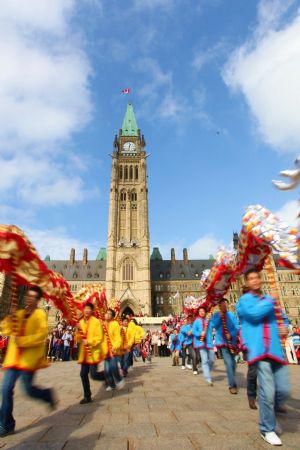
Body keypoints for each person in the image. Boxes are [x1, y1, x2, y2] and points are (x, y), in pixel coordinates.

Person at [236, 268, 290, 447]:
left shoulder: (268, 300)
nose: (254, 281)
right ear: (246, 282)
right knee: (268, 392)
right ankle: (267, 428)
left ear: (260, 280)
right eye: (250, 278)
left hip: (275, 350)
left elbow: (282, 318)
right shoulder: (244, 301)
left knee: (283, 391)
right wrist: (271, 299)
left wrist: (285, 328)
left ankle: (270, 416)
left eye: (256, 278)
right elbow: (254, 314)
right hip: (259, 351)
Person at [0, 286, 56, 437]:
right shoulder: (19, 313)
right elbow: (6, 330)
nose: (29, 298)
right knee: (5, 390)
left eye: (32, 296)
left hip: (27, 360)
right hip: (13, 359)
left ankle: (47, 394)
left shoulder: (40, 314)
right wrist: (8, 318)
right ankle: (6, 424)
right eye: (28, 296)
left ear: (38, 300)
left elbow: (41, 335)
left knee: (29, 390)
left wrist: (23, 341)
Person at [76, 302, 105, 404]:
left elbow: (99, 337)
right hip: (84, 354)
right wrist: (77, 331)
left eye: (89, 309)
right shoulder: (81, 322)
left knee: (94, 375)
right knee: (83, 374)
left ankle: (108, 375)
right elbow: (78, 338)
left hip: (93, 353)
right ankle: (87, 396)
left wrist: (89, 341)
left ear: (92, 310)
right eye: (85, 309)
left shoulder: (96, 322)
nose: (87, 310)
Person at [211, 299, 239, 394]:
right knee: (228, 363)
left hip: (232, 341)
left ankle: (231, 375)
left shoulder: (231, 315)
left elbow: (236, 327)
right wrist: (220, 317)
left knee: (233, 364)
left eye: (225, 305)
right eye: (222, 305)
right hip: (222, 342)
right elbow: (213, 325)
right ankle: (232, 385)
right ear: (219, 306)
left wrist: (231, 334)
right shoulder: (216, 315)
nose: (224, 306)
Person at [103, 308, 124, 391]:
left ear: (112, 316)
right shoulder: (103, 324)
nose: (107, 315)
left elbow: (118, 339)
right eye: (106, 313)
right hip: (105, 351)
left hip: (113, 351)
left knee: (113, 367)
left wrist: (114, 347)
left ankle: (119, 380)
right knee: (107, 370)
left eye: (109, 314)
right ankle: (112, 385)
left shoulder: (115, 324)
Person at [192, 306, 214, 385]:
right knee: (204, 360)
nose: (201, 312)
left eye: (203, 311)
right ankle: (208, 378)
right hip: (200, 343)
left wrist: (211, 317)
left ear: (205, 312)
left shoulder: (208, 320)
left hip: (209, 342)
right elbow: (194, 331)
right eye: (200, 311)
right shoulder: (196, 321)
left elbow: (214, 325)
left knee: (212, 360)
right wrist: (199, 333)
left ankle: (207, 369)